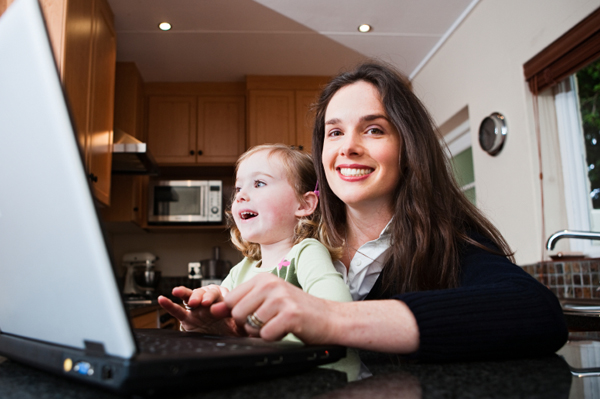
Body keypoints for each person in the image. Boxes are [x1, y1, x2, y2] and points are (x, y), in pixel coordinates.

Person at [166, 62, 568, 362]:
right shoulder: (297, 242)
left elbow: (539, 314)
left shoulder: (449, 243)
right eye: (335, 132)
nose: (348, 147)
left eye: (374, 129)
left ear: (408, 147)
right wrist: (234, 335)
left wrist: (332, 318)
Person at [158, 144, 352, 335]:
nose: (240, 195)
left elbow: (338, 313)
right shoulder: (240, 270)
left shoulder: (307, 253)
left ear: (304, 204)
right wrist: (201, 322)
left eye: (259, 183)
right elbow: (223, 326)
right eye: (238, 188)